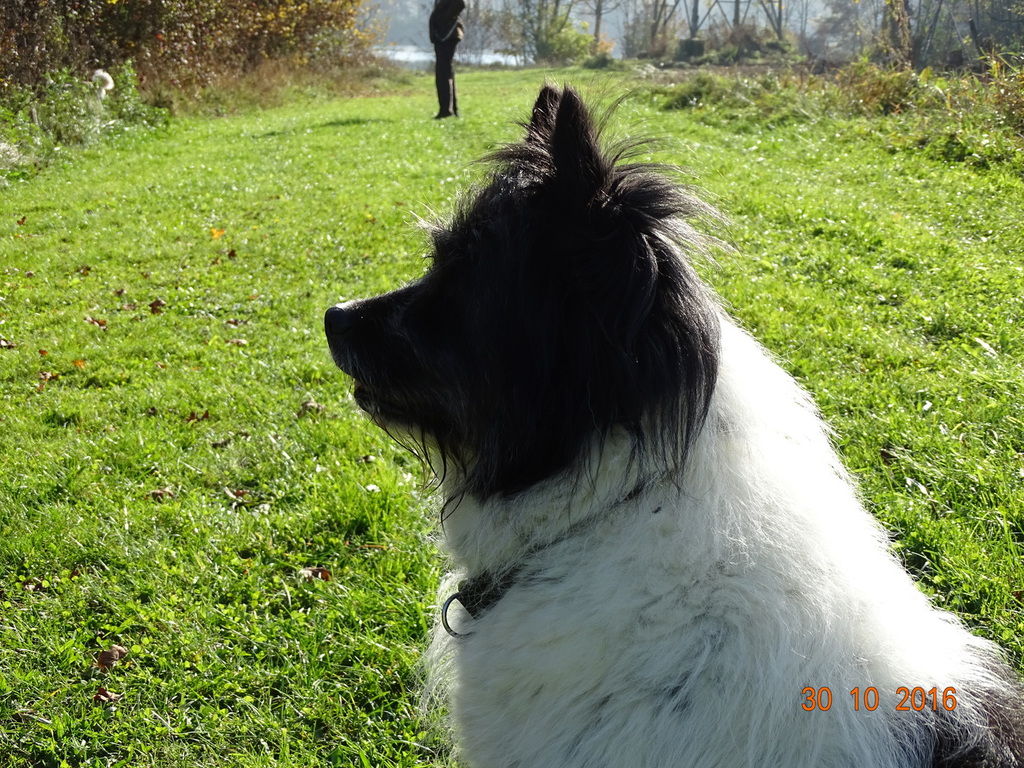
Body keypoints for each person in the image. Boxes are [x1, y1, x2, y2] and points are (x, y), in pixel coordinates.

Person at [429, 0, 465, 119]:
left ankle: (446, 110)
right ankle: (451, 108)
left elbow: (460, 3)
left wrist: (443, 20)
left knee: (443, 73)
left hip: (446, 35)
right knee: (446, 72)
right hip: (443, 34)